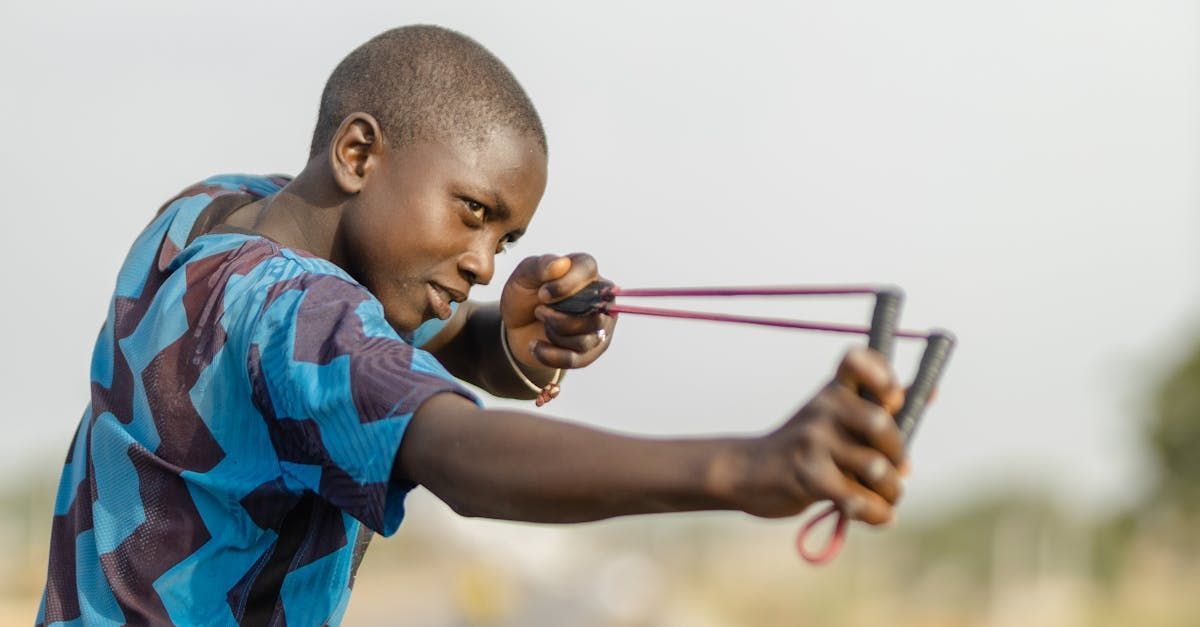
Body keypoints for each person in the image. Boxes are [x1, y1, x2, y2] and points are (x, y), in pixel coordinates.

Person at [37, 25, 910, 626]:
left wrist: (501, 342)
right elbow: (452, 449)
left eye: (507, 237)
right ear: (358, 152)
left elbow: (368, 344)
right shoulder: (292, 317)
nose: (485, 261)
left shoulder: (206, 216)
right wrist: (746, 466)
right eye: (472, 210)